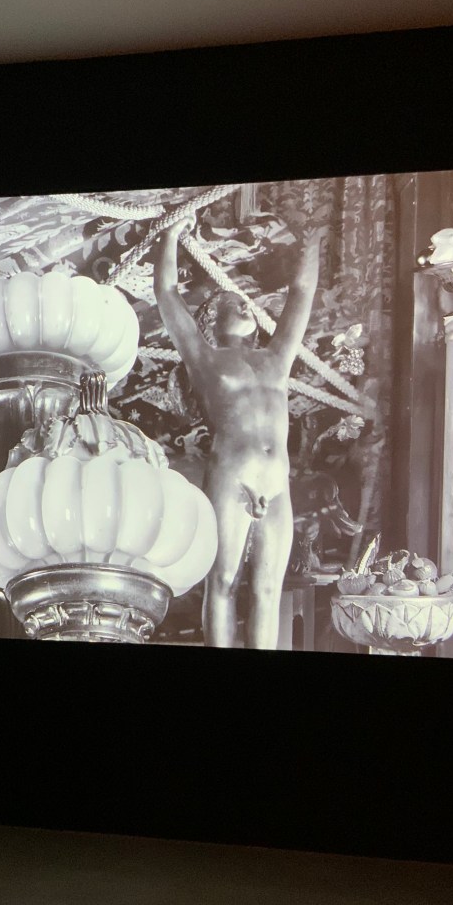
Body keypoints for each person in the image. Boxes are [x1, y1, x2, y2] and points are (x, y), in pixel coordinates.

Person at [154, 216, 327, 649]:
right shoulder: (204, 358)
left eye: (246, 302)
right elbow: (167, 293)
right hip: (231, 476)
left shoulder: (276, 357)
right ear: (212, 320)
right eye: (235, 304)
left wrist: (312, 244)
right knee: (224, 581)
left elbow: (301, 294)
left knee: (268, 589)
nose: (247, 306)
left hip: (278, 482)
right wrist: (171, 235)